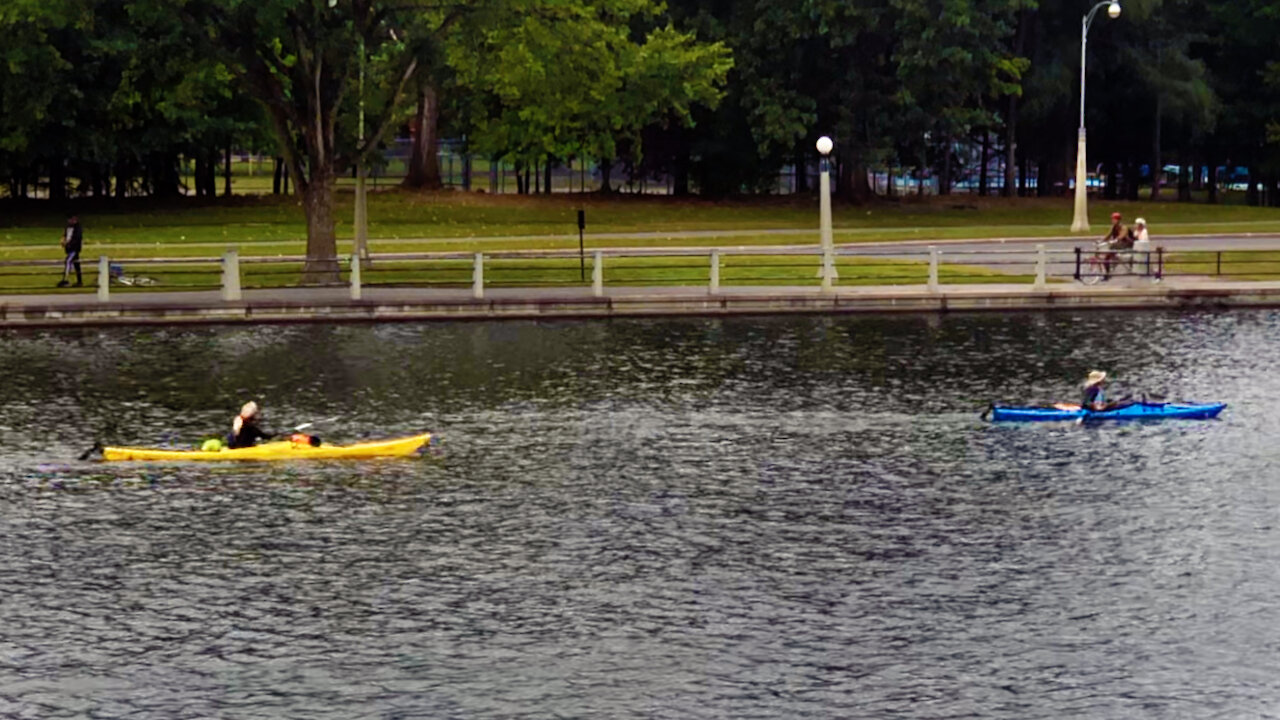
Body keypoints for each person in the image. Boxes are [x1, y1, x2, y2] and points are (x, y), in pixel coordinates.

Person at [57, 215, 83, 287]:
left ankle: (65, 280)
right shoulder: (68, 227)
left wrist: (68, 243)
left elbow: (77, 238)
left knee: (68, 261)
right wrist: (63, 240)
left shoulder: (78, 228)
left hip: (74, 249)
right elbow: (65, 235)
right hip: (70, 249)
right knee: (76, 265)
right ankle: (79, 281)